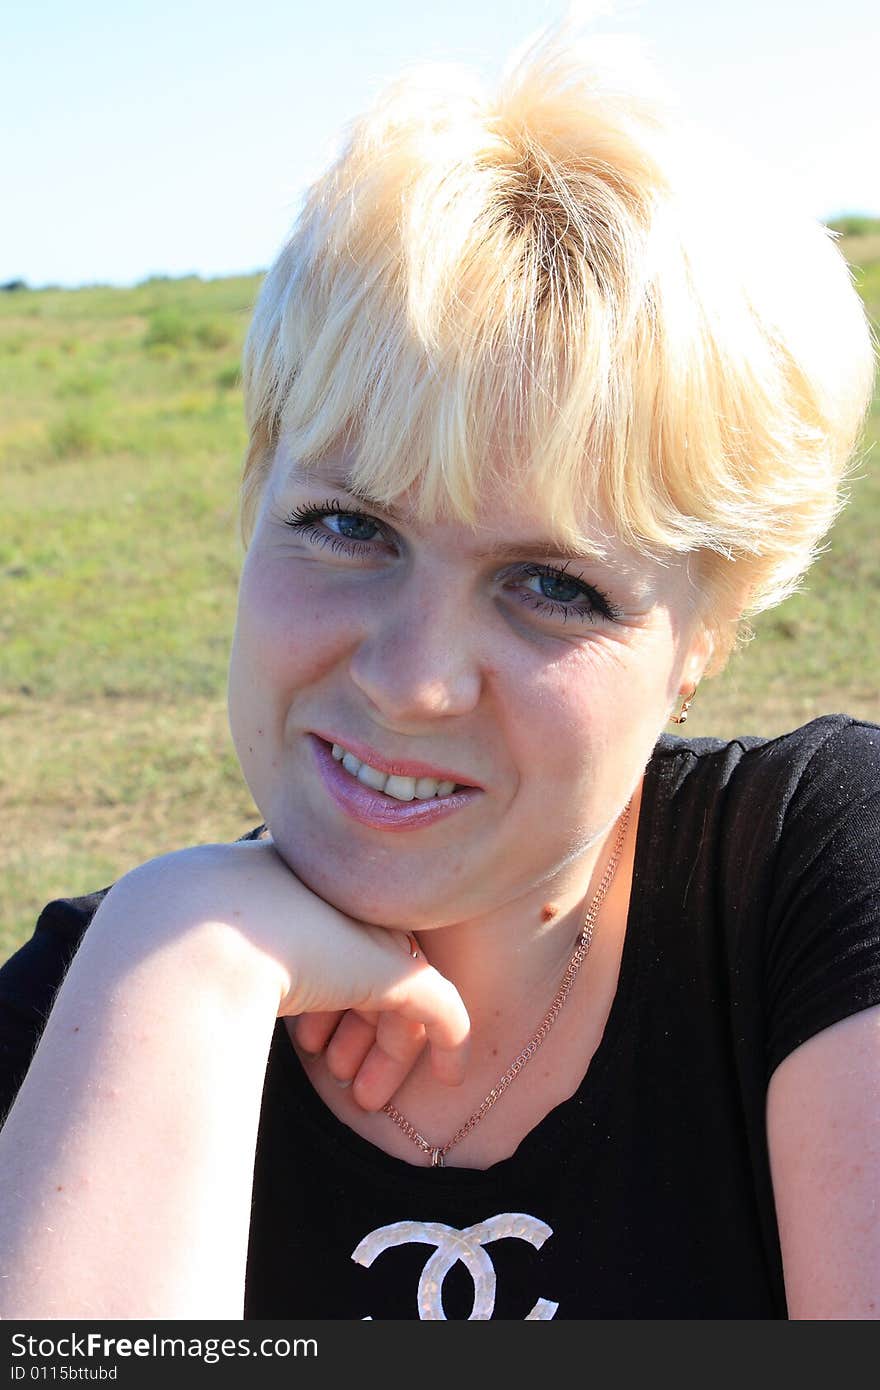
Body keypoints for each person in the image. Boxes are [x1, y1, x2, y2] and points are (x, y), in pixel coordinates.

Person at [0, 20, 877, 1322]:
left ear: (706, 634)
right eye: (351, 525)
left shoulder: (813, 888)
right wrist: (182, 962)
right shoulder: (91, 1008)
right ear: (254, 505)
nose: (414, 680)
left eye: (556, 585)